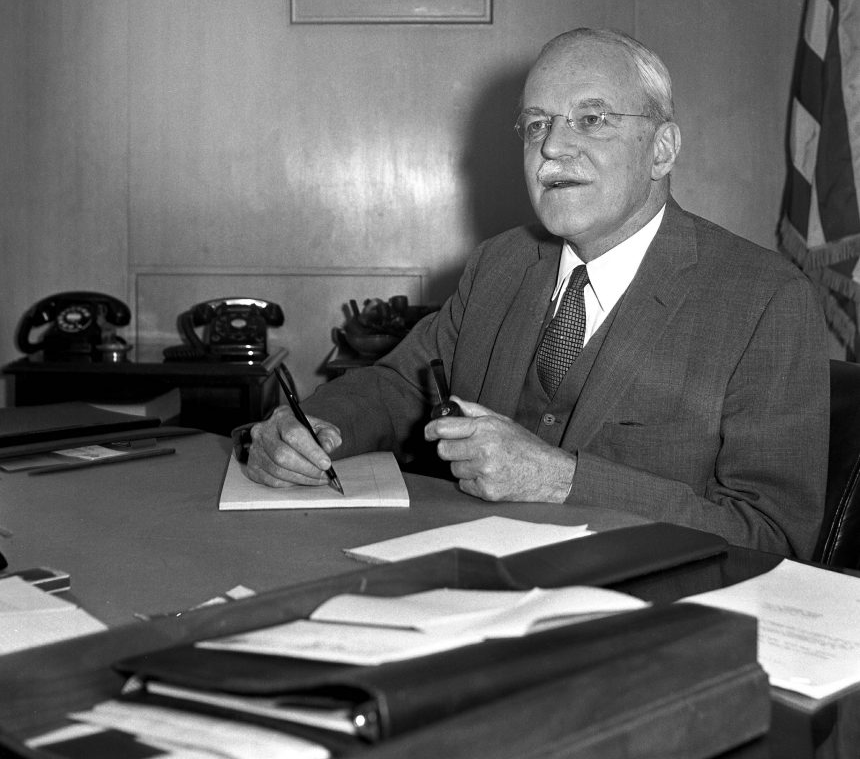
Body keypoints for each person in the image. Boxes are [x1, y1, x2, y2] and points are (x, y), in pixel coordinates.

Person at [243, 28, 829, 558]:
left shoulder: (765, 301)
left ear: (662, 149)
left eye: (591, 119)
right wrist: (311, 425)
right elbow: (400, 386)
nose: (552, 147)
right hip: (470, 587)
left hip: (646, 616)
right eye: (537, 124)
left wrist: (562, 480)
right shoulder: (501, 264)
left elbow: (773, 536)